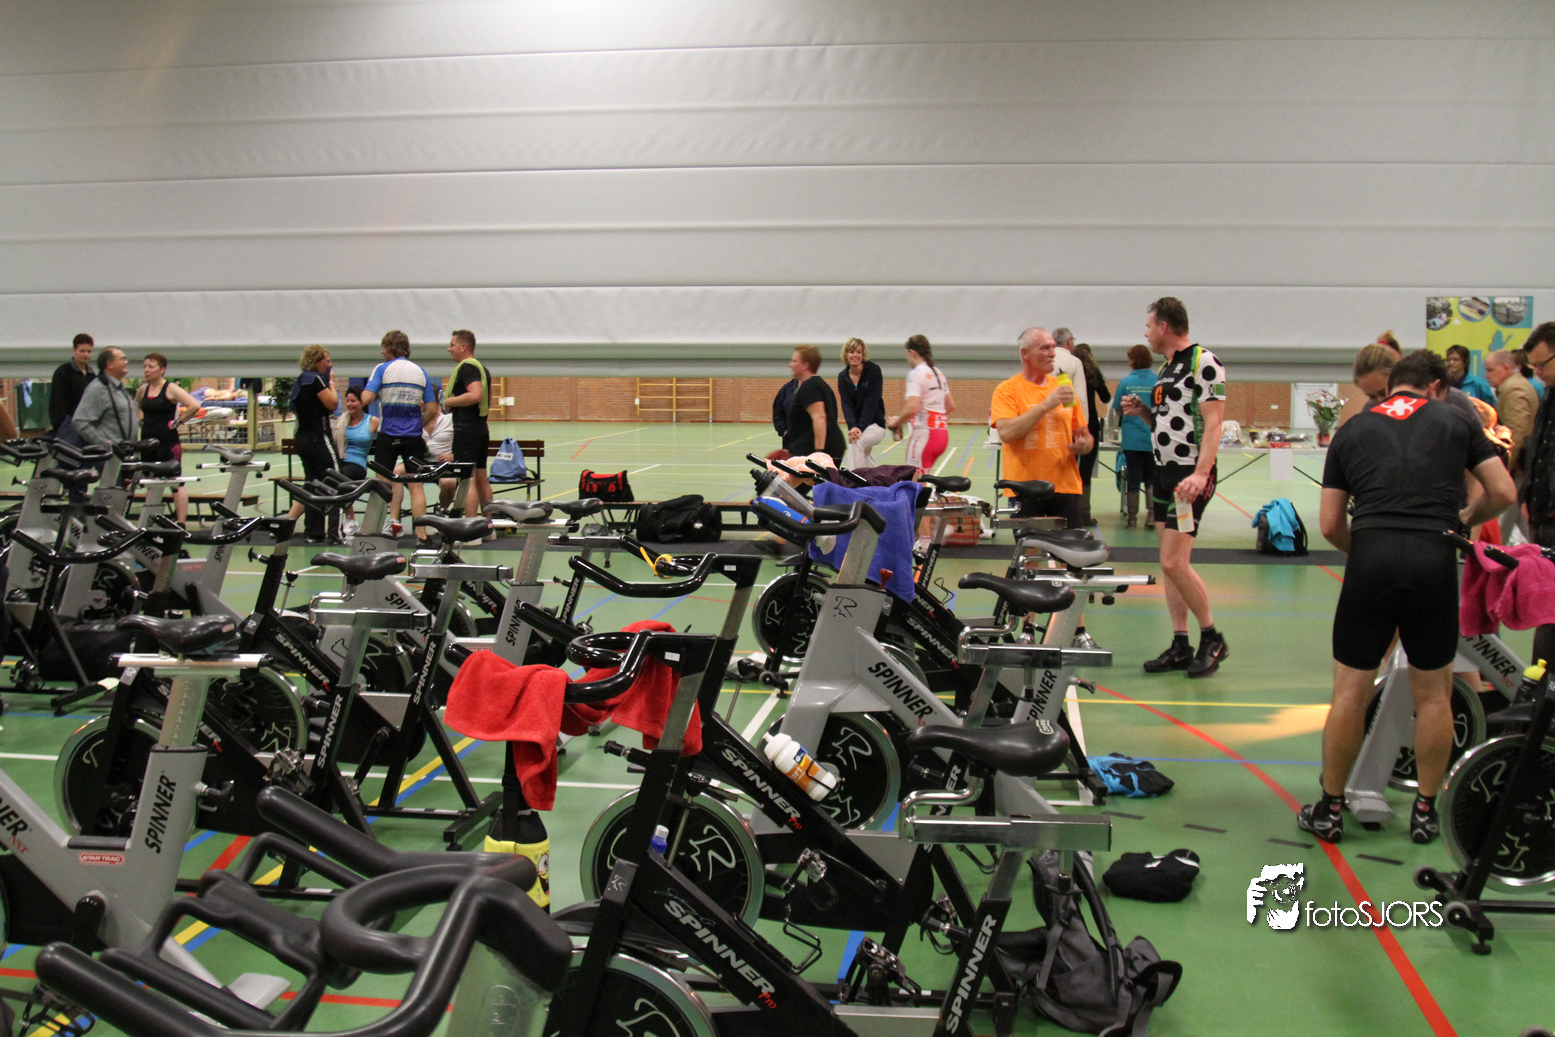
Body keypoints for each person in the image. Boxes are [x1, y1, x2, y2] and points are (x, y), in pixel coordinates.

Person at [1297, 349, 1515, 844]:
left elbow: (1330, 523)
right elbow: (1503, 491)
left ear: (1392, 384)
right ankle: (1425, 811)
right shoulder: (1456, 421)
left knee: (1349, 692)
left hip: (1371, 558)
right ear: (1436, 386)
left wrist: (1366, 549)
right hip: (1432, 559)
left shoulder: (1352, 428)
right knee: (1434, 694)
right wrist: (1462, 521)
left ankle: (1330, 809)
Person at [1119, 297, 1228, 677]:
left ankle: (1212, 637)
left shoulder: (1204, 362)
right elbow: (1167, 424)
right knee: (1169, 566)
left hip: (1188, 477)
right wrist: (1144, 413)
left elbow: (1213, 425)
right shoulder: (1167, 369)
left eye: (1149, 325)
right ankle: (1181, 643)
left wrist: (1200, 474)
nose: (1146, 333)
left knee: (1174, 562)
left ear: (1163, 326)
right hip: (1164, 474)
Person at [990, 327, 1092, 528]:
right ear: (1025, 354)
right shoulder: (1007, 390)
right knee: (1030, 547)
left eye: (1053, 347)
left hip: (1064, 487)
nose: (1052, 353)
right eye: (1045, 348)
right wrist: (1046, 405)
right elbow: (1007, 433)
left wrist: (1084, 444)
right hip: (1025, 489)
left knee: (1072, 546)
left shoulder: (1064, 389)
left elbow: (1085, 435)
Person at [361, 330, 440, 542]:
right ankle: (421, 535)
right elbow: (432, 408)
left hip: (388, 434)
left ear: (390, 348)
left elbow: (367, 398)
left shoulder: (382, 369)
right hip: (412, 437)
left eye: (383, 348)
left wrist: (376, 392)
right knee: (417, 486)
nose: (381, 352)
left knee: (382, 485)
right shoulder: (420, 372)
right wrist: (418, 423)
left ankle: (374, 533)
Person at [1517, 323, 1555, 667]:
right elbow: (1539, 450)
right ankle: (1542, 687)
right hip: (1542, 519)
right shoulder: (1548, 396)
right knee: (1547, 611)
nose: (1537, 373)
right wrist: (1527, 497)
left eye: (1542, 365)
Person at [135, 352, 200, 524]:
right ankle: (149, 522)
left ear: (162, 369)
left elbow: (194, 405)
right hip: (147, 442)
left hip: (167, 442)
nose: (146, 370)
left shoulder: (170, 389)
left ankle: (181, 522)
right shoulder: (143, 389)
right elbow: (138, 405)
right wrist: (141, 420)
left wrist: (178, 422)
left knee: (175, 483)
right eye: (145, 367)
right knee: (150, 482)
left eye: (151, 367)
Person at [286, 345, 340, 542]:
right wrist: (332, 383)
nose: (330, 364)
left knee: (313, 484)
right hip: (318, 437)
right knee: (336, 480)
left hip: (302, 438)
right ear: (316, 361)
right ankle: (335, 532)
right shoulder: (316, 380)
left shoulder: (300, 381)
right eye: (327, 360)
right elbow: (333, 404)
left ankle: (314, 532)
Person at [885, 334, 954, 473]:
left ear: (912, 352)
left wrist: (896, 422)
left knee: (914, 482)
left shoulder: (916, 374)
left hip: (925, 435)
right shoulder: (938, 373)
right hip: (941, 435)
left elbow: (912, 408)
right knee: (923, 478)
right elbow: (950, 406)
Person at [445, 329, 493, 522]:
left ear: (463, 347)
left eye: (452, 345)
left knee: (466, 479)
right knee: (481, 478)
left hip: (466, 431)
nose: (449, 349)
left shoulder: (467, 368)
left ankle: (471, 528)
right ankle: (487, 526)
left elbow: (475, 395)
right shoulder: (482, 369)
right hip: (480, 429)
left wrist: (450, 401)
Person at [390, 397, 458, 526]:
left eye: (423, 399)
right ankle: (394, 519)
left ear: (434, 401)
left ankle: (441, 511)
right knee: (396, 472)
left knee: (448, 483)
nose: (420, 402)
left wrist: (453, 456)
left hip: (444, 464)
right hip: (419, 462)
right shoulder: (415, 420)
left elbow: (463, 444)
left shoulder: (450, 419)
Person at [1111, 344, 1157, 529]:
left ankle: (1132, 518)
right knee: (1152, 477)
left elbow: (1117, 409)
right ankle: (1152, 515)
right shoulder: (1158, 381)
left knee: (1134, 477)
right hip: (1152, 438)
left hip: (1132, 439)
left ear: (1133, 361)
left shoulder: (1125, 383)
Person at [780, 345, 846, 463]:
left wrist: (819, 453)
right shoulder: (817, 385)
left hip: (820, 451)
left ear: (805, 365)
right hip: (815, 449)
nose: (790, 365)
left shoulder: (810, 386)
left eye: (794, 361)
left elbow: (819, 417)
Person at [1071, 342, 1111, 525]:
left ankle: (1069, 511)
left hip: (1072, 422)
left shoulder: (1069, 373)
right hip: (1091, 424)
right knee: (1085, 471)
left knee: (1070, 468)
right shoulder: (1093, 373)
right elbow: (1106, 397)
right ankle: (1084, 513)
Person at [332, 386, 379, 538]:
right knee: (327, 479)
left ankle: (349, 520)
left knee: (340, 479)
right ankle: (346, 522)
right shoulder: (341, 420)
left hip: (357, 464)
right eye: (348, 401)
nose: (349, 404)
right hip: (340, 461)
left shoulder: (372, 421)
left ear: (362, 403)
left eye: (353, 401)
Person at [72, 346, 137, 450]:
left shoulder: (119, 388)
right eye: (122, 359)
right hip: (111, 455)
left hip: (127, 452)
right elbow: (79, 421)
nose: (126, 362)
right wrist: (103, 443)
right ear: (109, 364)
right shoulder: (98, 388)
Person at [836, 338, 886, 470]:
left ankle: (854, 479)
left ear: (863, 354)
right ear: (846, 354)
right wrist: (853, 427)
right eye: (852, 352)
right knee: (864, 453)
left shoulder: (873, 371)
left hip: (875, 425)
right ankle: (872, 481)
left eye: (859, 352)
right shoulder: (843, 377)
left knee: (856, 442)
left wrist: (860, 428)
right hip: (858, 428)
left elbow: (871, 402)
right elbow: (846, 405)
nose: (855, 355)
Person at [50, 333, 95, 443]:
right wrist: (62, 426)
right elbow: (57, 403)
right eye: (82, 351)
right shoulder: (63, 372)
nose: (86, 355)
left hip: (88, 427)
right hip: (68, 428)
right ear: (74, 351)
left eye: (89, 351)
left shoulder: (92, 376)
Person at [1050, 328, 1090, 424]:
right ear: (1069, 341)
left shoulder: (1044, 361)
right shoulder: (1075, 362)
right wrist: (1083, 424)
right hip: (1066, 419)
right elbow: (1080, 398)